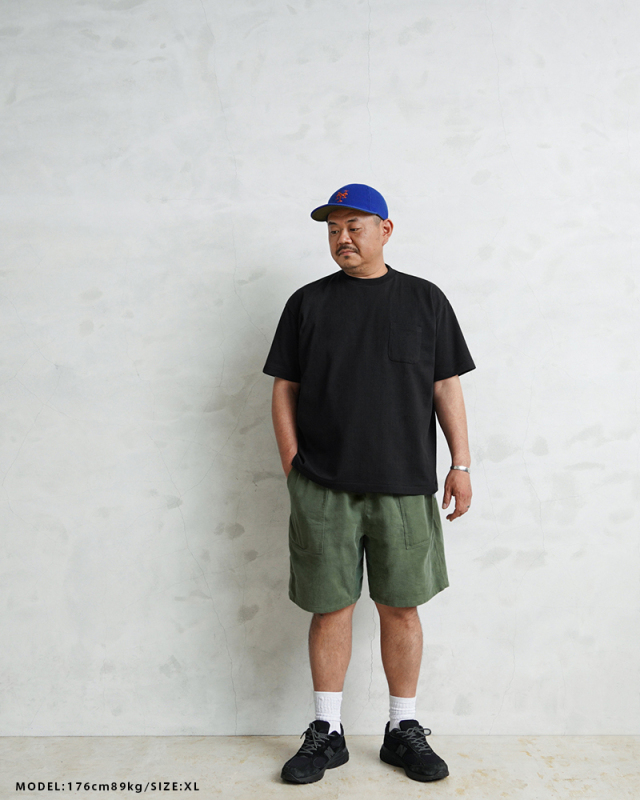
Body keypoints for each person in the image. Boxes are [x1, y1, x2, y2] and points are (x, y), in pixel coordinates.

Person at [262, 183, 475, 784]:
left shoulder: (424, 299)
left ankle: (402, 729)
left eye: (354, 226)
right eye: (333, 230)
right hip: (322, 485)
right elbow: (284, 387)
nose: (342, 238)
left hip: (404, 485)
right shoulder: (307, 303)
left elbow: (445, 385)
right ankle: (326, 732)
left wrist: (460, 464)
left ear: (386, 229)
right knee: (329, 607)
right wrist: (293, 467)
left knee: (400, 607)